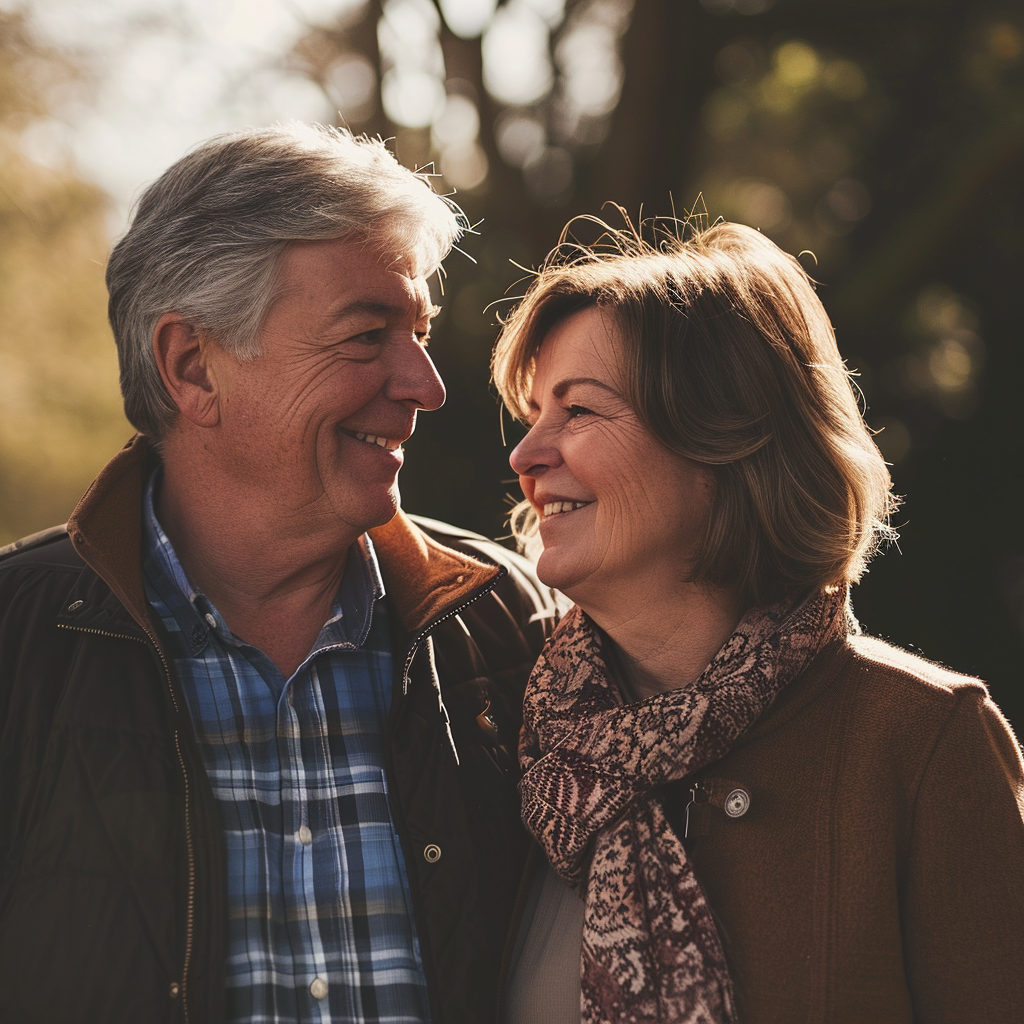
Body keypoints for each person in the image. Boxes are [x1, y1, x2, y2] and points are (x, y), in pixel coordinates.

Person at [0, 123, 554, 1024]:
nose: (425, 383)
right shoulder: (15, 645)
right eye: (367, 335)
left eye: (418, 332)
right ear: (192, 366)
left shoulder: (511, 625)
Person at [490, 215, 1024, 1024]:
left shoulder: (923, 742)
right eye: (534, 414)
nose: (525, 455)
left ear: (722, 443)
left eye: (579, 411)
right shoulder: (511, 744)